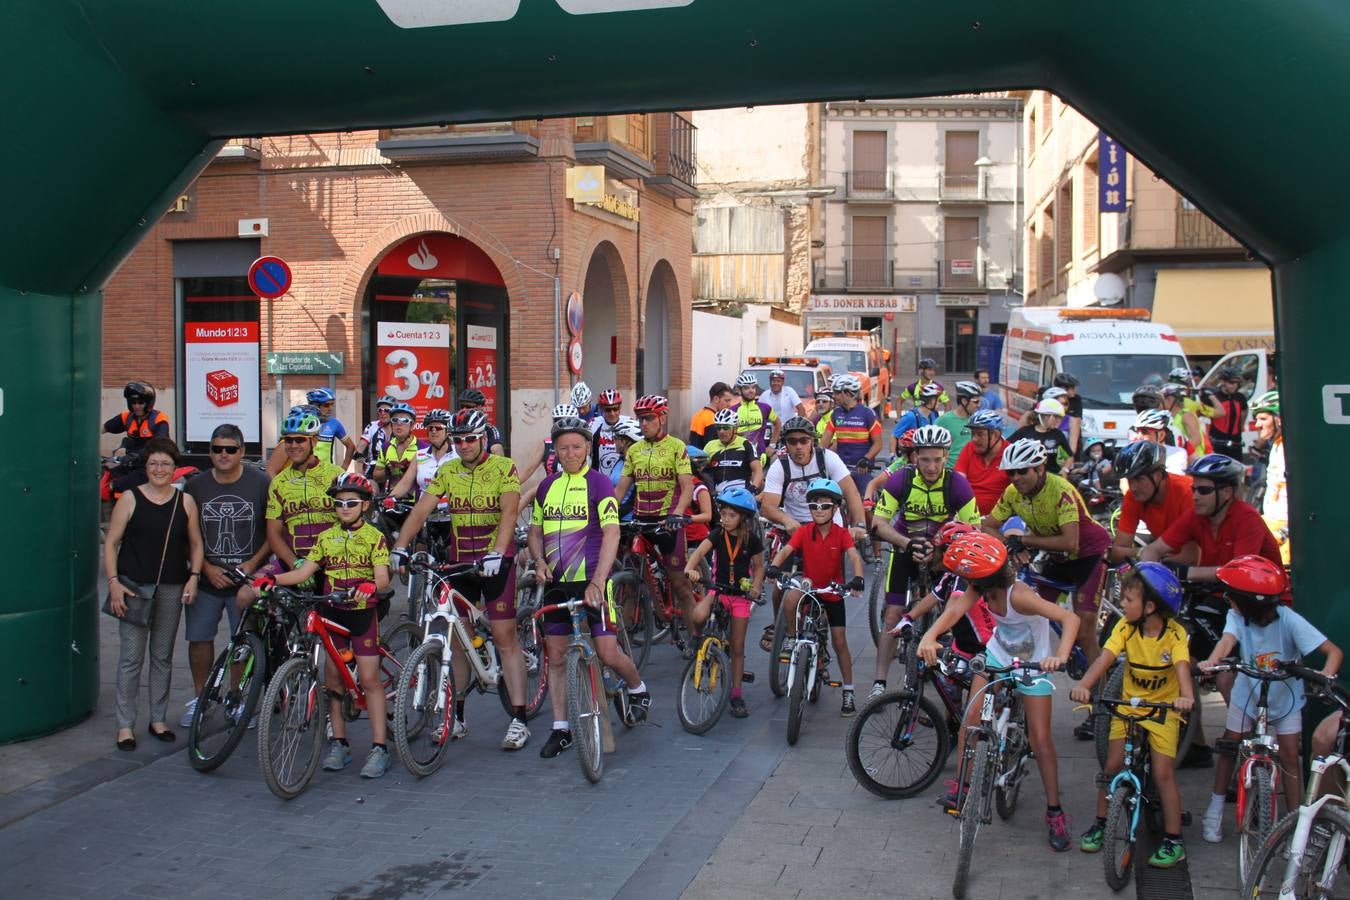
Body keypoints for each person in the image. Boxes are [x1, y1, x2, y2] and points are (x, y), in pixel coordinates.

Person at [917, 532, 1080, 850]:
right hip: (999, 653)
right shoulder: (979, 586)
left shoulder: (1018, 596)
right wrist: (930, 636)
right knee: (970, 720)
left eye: (967, 577)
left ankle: (1054, 812)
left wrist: (1060, 656)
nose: (964, 583)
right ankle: (963, 786)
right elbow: (953, 612)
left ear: (986, 575)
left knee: (1041, 739)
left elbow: (1069, 617)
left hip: (1033, 662)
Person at [392, 408, 529, 750]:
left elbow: (510, 511)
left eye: (470, 439)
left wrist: (498, 551)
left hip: (496, 559)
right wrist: (400, 546)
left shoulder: (503, 467)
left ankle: (519, 719)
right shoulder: (448, 470)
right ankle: (458, 717)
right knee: (457, 641)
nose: (464, 445)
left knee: (504, 635)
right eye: (458, 440)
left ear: (483, 438)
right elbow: (422, 508)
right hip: (460, 561)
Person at [253, 473, 394, 778]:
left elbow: (383, 576)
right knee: (333, 682)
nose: (344, 507)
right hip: (332, 611)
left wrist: (370, 585)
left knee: (369, 680)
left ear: (365, 505)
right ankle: (339, 744)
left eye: (351, 503)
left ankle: (379, 747)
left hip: (361, 613)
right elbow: (304, 573)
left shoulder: (375, 537)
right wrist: (272, 579)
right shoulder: (325, 537)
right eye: (339, 502)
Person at [1197, 556, 1342, 843]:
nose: (1227, 599)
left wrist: (1326, 678)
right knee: (1230, 743)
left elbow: (1333, 652)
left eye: (1232, 596)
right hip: (1248, 691)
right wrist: (1211, 662)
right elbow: (1227, 641)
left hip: (1284, 695)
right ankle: (1214, 809)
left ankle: (1296, 822)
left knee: (1289, 755)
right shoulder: (1237, 617)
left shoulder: (1288, 619)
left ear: (1249, 601)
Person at [529, 416, 650, 758]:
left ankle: (638, 689)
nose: (570, 453)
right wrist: (538, 560)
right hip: (556, 585)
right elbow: (535, 533)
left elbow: (612, 533)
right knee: (555, 658)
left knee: (608, 652)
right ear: (555, 449)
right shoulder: (546, 487)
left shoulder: (599, 484)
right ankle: (561, 729)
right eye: (563, 447)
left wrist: (599, 580)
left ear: (588, 448)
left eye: (577, 447)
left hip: (591, 582)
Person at [1071, 564, 1194, 868]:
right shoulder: (1125, 628)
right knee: (1111, 766)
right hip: (1128, 706)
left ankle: (1174, 839)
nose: (1122, 604)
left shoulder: (1174, 633)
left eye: (1128, 599)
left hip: (1164, 710)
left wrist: (1187, 697)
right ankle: (1101, 823)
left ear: (1150, 606)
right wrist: (1085, 685)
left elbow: (1181, 667)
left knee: (1163, 773)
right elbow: (1105, 659)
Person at [982, 439, 1113, 725]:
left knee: (1085, 631)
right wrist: (1009, 545)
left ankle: (1102, 707)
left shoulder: (1062, 490)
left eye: (1023, 471)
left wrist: (1024, 540)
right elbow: (989, 525)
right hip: (1057, 558)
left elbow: (1070, 541)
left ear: (1040, 468)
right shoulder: (1013, 492)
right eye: (1011, 473)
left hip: (1087, 556)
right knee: (1031, 613)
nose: (1016, 478)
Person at [103, 437, 204, 751]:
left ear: (175, 468)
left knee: (162, 656)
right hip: (133, 588)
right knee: (131, 659)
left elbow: (196, 544)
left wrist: (194, 577)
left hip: (172, 587)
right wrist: (114, 582)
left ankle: (158, 719)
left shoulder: (183, 502)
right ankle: (125, 726)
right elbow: (111, 543)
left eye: (166, 464)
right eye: (154, 464)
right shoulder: (130, 499)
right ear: (145, 467)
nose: (160, 469)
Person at [868, 424, 979, 696]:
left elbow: (973, 530)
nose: (931, 466)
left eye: (937, 459)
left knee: (952, 611)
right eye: (925, 459)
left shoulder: (957, 484)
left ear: (946, 456)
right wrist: (907, 543)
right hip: (905, 546)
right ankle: (879, 683)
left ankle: (949, 672)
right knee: (893, 614)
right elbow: (879, 524)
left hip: (943, 553)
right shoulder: (901, 480)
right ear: (915, 456)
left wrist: (941, 550)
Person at [180, 424, 270, 727]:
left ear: (242, 452)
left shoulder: (260, 483)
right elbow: (187, 534)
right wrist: (205, 567)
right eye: (217, 449)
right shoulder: (195, 486)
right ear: (210, 451)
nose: (223, 454)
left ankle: (236, 698)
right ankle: (201, 697)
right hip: (208, 578)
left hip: (245, 580)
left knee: (242, 642)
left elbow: (274, 531)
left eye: (230, 449)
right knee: (199, 639)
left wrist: (251, 566)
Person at [759, 415, 867, 651]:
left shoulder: (828, 459)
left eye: (803, 441)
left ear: (813, 442)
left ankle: (819, 641)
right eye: (792, 441)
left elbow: (851, 492)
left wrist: (858, 524)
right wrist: (787, 520)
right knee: (780, 583)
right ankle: (779, 625)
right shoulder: (780, 465)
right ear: (785, 444)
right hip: (794, 528)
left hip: (829, 528)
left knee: (828, 589)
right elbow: (768, 505)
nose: (798, 446)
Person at [765, 479, 866, 716]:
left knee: (839, 642)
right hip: (809, 587)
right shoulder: (803, 531)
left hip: (832, 592)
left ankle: (849, 691)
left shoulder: (841, 534)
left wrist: (858, 578)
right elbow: (786, 550)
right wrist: (774, 566)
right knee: (790, 598)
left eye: (824, 506)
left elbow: (853, 557)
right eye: (814, 506)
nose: (818, 510)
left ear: (835, 508)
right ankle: (791, 638)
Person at [615, 395, 699, 635]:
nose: (644, 424)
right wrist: (607, 512)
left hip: (668, 522)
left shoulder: (676, 447)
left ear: (662, 417)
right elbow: (621, 488)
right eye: (641, 419)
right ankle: (627, 640)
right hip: (641, 520)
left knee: (680, 585)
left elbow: (687, 486)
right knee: (632, 578)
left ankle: (696, 638)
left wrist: (678, 513)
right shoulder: (635, 451)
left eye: (649, 418)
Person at [684, 487, 765, 718]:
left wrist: (756, 587)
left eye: (732, 515)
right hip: (717, 590)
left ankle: (736, 695)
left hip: (740, 596)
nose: (726, 519)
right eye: (724, 514)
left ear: (744, 518)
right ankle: (697, 638)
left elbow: (759, 567)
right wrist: (690, 569)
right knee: (698, 615)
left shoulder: (753, 540)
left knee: (737, 647)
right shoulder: (718, 534)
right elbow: (698, 554)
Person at [1140, 454, 1284, 584]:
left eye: (1203, 490)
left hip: (1263, 603)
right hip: (1218, 595)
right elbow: (1153, 550)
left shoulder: (1248, 519)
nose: (1195, 496)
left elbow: (1240, 572)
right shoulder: (1196, 515)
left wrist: (1184, 572)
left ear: (1227, 492)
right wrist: (1149, 573)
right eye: (1193, 489)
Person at [260, 410, 345, 584]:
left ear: (313, 441)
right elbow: (273, 533)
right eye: (288, 440)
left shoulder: (336, 475)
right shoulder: (279, 483)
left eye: (300, 439)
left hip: (335, 562)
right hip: (295, 560)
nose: (293, 445)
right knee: (248, 593)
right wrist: (294, 564)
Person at [1108, 440, 1195, 564]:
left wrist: (1152, 554)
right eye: (1129, 480)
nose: (1133, 487)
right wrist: (1145, 552)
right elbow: (1117, 552)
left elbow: (1189, 558)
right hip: (1167, 557)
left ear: (1157, 476)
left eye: (1139, 479)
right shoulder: (1133, 496)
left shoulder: (1187, 492)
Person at [821, 373, 883, 499]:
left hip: (861, 469)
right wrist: (818, 455)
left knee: (866, 505)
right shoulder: (836, 413)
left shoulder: (868, 414)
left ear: (848, 393)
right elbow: (825, 440)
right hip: (840, 469)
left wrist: (866, 459)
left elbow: (878, 444)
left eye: (837, 393)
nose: (834, 396)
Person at [103, 381, 171, 494]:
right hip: (130, 464)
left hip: (153, 467)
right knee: (106, 477)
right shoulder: (126, 417)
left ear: (148, 403)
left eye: (140, 403)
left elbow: (159, 445)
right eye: (133, 402)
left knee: (115, 485)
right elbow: (103, 428)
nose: (136, 406)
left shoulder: (158, 419)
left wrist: (138, 455)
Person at [386, 408, 456, 502]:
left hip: (452, 513)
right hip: (424, 512)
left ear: (448, 431)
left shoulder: (458, 454)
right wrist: (389, 499)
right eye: (430, 428)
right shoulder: (420, 455)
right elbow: (404, 484)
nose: (434, 431)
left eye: (438, 428)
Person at [517, 403, 580, 508]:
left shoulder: (582, 444)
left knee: (530, 494)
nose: (563, 425)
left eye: (567, 421)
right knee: (526, 497)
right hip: (550, 491)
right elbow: (529, 470)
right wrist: (509, 487)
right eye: (558, 421)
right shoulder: (546, 443)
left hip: (575, 491)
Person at [1252, 391, 1288, 563]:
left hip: (1285, 524)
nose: (1257, 424)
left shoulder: (1288, 448)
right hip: (1272, 519)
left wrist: (1288, 529)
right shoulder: (1277, 444)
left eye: (1263, 419)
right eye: (1257, 419)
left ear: (1279, 419)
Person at [954, 409, 1011, 516]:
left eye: (980, 434)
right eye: (973, 434)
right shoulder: (970, 447)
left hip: (999, 519)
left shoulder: (1011, 454)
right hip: (967, 516)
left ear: (995, 434)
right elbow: (958, 482)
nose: (974, 439)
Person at [703, 407, 763, 494]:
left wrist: (753, 489)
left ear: (735, 428)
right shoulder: (710, 445)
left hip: (739, 495)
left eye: (726, 427)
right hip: (716, 495)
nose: (721, 431)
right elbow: (700, 470)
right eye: (718, 428)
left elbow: (758, 471)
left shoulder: (746, 444)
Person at [1009, 398, 1073, 475]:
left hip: (1052, 476)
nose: (1058, 421)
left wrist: (1065, 469)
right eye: (1056, 417)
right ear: (1045, 416)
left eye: (1059, 418)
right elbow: (1007, 447)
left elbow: (1070, 456)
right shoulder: (1024, 432)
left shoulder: (1058, 434)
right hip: (1029, 478)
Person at [371, 402, 423, 489]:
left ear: (412, 425)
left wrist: (411, 469)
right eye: (395, 420)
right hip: (392, 498)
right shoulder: (386, 447)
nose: (399, 424)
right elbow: (376, 476)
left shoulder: (422, 447)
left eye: (404, 420)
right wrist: (388, 470)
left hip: (415, 499)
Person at [934, 380, 983, 467]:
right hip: (950, 470)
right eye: (976, 401)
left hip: (970, 470)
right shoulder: (943, 420)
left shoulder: (977, 420)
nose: (979, 405)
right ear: (964, 401)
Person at [1205, 366, 1248, 462]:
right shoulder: (1214, 398)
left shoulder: (1240, 397)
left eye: (1237, 383)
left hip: (1236, 445)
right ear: (1223, 382)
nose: (1234, 386)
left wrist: (1241, 425)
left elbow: (1245, 410)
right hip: (1217, 445)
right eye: (1231, 383)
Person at [732, 372, 780, 458]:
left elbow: (778, 424)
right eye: (746, 388)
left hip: (760, 454)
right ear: (739, 390)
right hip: (739, 455)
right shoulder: (733, 410)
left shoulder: (765, 408)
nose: (751, 390)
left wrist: (772, 445)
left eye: (753, 387)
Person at [307, 387, 357, 469]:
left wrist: (342, 469)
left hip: (326, 475)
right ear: (315, 406)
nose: (330, 409)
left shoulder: (334, 423)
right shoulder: (302, 422)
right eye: (326, 405)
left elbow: (350, 446)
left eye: (332, 405)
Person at [1132, 408, 1191, 474]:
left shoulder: (1177, 454)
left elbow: (1171, 480)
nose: (1138, 436)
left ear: (1161, 435)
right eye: (1137, 431)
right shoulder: (1133, 453)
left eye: (1144, 432)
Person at [680, 447, 715, 559]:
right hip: (679, 537)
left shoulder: (699, 488)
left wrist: (687, 518)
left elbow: (707, 515)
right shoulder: (673, 486)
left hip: (698, 539)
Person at [349, 394, 395, 476]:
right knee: (372, 487)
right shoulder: (372, 426)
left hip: (394, 468)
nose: (382, 413)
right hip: (373, 467)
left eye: (386, 410)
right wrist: (359, 473)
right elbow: (359, 450)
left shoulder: (398, 427)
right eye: (380, 410)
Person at [892, 382, 942, 455]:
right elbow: (894, 436)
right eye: (937, 400)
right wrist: (892, 455)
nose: (939, 403)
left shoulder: (934, 415)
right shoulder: (910, 416)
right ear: (931, 401)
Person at [1161, 383, 1208, 456]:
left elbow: (1196, 438)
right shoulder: (1169, 416)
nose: (1162, 401)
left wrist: (1178, 452)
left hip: (1192, 460)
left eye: (1166, 398)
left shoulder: (1186, 415)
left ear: (1174, 401)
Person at [458, 388, 505, 454]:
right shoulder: (455, 427)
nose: (464, 409)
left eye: (468, 406)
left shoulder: (488, 429)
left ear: (479, 407)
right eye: (462, 406)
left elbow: (497, 450)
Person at [688, 381, 733, 449]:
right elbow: (713, 448)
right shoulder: (713, 419)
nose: (729, 404)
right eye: (727, 400)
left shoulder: (697, 415)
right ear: (716, 399)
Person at [590, 388, 625, 475]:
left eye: (615, 409)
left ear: (620, 408)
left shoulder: (628, 423)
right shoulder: (594, 424)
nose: (612, 413)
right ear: (602, 409)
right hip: (600, 477)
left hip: (622, 479)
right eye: (608, 410)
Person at [1049, 373, 1083, 457]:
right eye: (1072, 388)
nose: (1075, 390)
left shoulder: (1076, 399)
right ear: (1063, 388)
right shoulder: (1048, 396)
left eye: (1066, 404)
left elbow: (1076, 421)